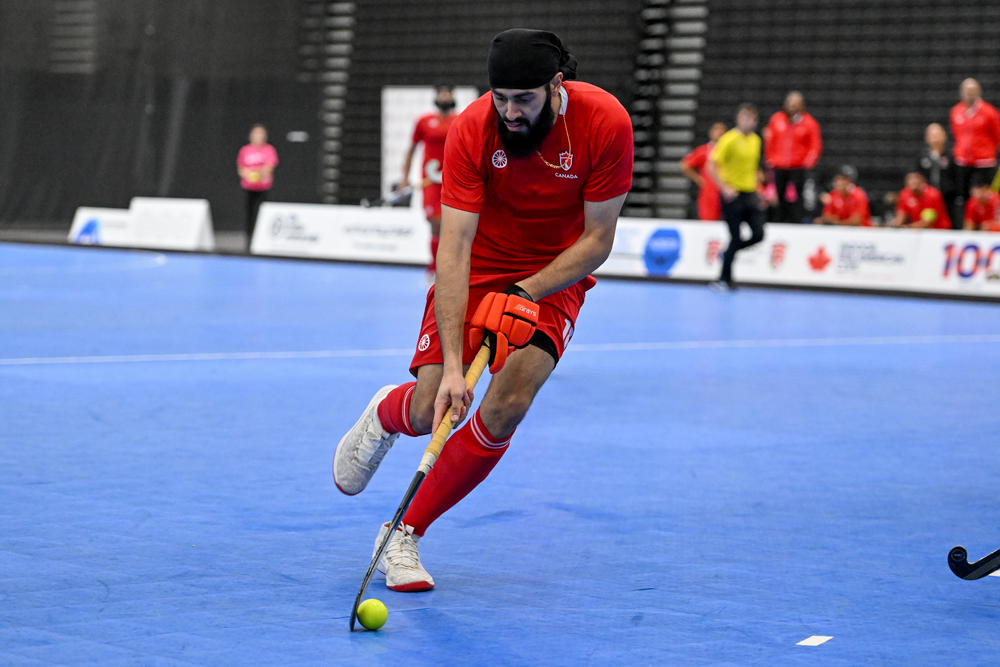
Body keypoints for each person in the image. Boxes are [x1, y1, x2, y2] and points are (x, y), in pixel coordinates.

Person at [332, 29, 634, 592]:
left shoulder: (605, 122)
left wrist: (528, 290)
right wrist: (453, 366)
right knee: (432, 406)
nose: (510, 112)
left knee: (510, 402)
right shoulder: (472, 128)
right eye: (500, 98)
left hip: (554, 271)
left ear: (557, 85)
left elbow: (598, 240)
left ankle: (403, 532)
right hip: (478, 265)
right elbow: (453, 248)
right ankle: (387, 414)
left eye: (524, 99)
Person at [399, 85, 459, 275]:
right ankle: (434, 270)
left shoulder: (460, 120)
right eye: (441, 93)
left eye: (448, 93)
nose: (444, 96)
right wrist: (404, 179)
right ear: (436, 97)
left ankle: (452, 267)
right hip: (430, 182)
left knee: (455, 225)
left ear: (452, 97)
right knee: (435, 224)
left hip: (454, 179)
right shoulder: (424, 122)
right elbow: (411, 150)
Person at [706, 103, 764, 291]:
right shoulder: (729, 139)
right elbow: (711, 165)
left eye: (751, 118)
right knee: (735, 236)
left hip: (749, 193)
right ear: (738, 119)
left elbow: (753, 168)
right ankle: (724, 279)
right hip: (733, 194)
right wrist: (724, 187)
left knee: (758, 234)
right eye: (744, 117)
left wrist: (759, 189)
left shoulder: (756, 140)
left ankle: (727, 254)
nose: (747, 121)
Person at [763, 91, 822, 223]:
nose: (793, 106)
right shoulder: (776, 119)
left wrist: (808, 162)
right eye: (790, 103)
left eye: (796, 104)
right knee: (779, 195)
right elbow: (770, 140)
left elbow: (815, 145)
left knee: (798, 196)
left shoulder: (809, 122)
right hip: (779, 165)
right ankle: (780, 221)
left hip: (798, 166)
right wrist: (770, 159)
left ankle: (796, 221)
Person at [950, 78, 1000, 229]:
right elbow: (956, 134)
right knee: (963, 198)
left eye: (972, 91)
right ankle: (966, 227)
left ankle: (989, 227)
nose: (969, 94)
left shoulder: (989, 112)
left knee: (984, 198)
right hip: (963, 163)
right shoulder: (956, 111)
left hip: (983, 163)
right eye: (966, 90)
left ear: (979, 92)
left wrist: (986, 151)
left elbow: (997, 136)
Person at [237, 124, 278, 251]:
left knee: (263, 214)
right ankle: (249, 240)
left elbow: (269, 166)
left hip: (263, 188)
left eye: (261, 135)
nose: (258, 137)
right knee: (249, 214)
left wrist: (257, 173)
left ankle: (263, 239)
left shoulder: (269, 150)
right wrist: (248, 174)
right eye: (256, 134)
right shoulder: (245, 150)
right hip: (249, 188)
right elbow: (241, 168)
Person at [679, 122, 727, 221]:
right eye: (716, 130)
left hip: (726, 190)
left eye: (721, 131)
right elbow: (684, 165)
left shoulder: (729, 151)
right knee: (708, 221)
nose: (719, 133)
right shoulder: (704, 150)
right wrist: (699, 179)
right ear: (711, 133)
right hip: (709, 193)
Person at [916, 123, 957, 223]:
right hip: (927, 200)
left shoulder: (952, 156)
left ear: (944, 136)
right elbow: (918, 176)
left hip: (947, 199)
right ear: (927, 138)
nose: (935, 138)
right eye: (932, 135)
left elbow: (957, 177)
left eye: (937, 135)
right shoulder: (922, 157)